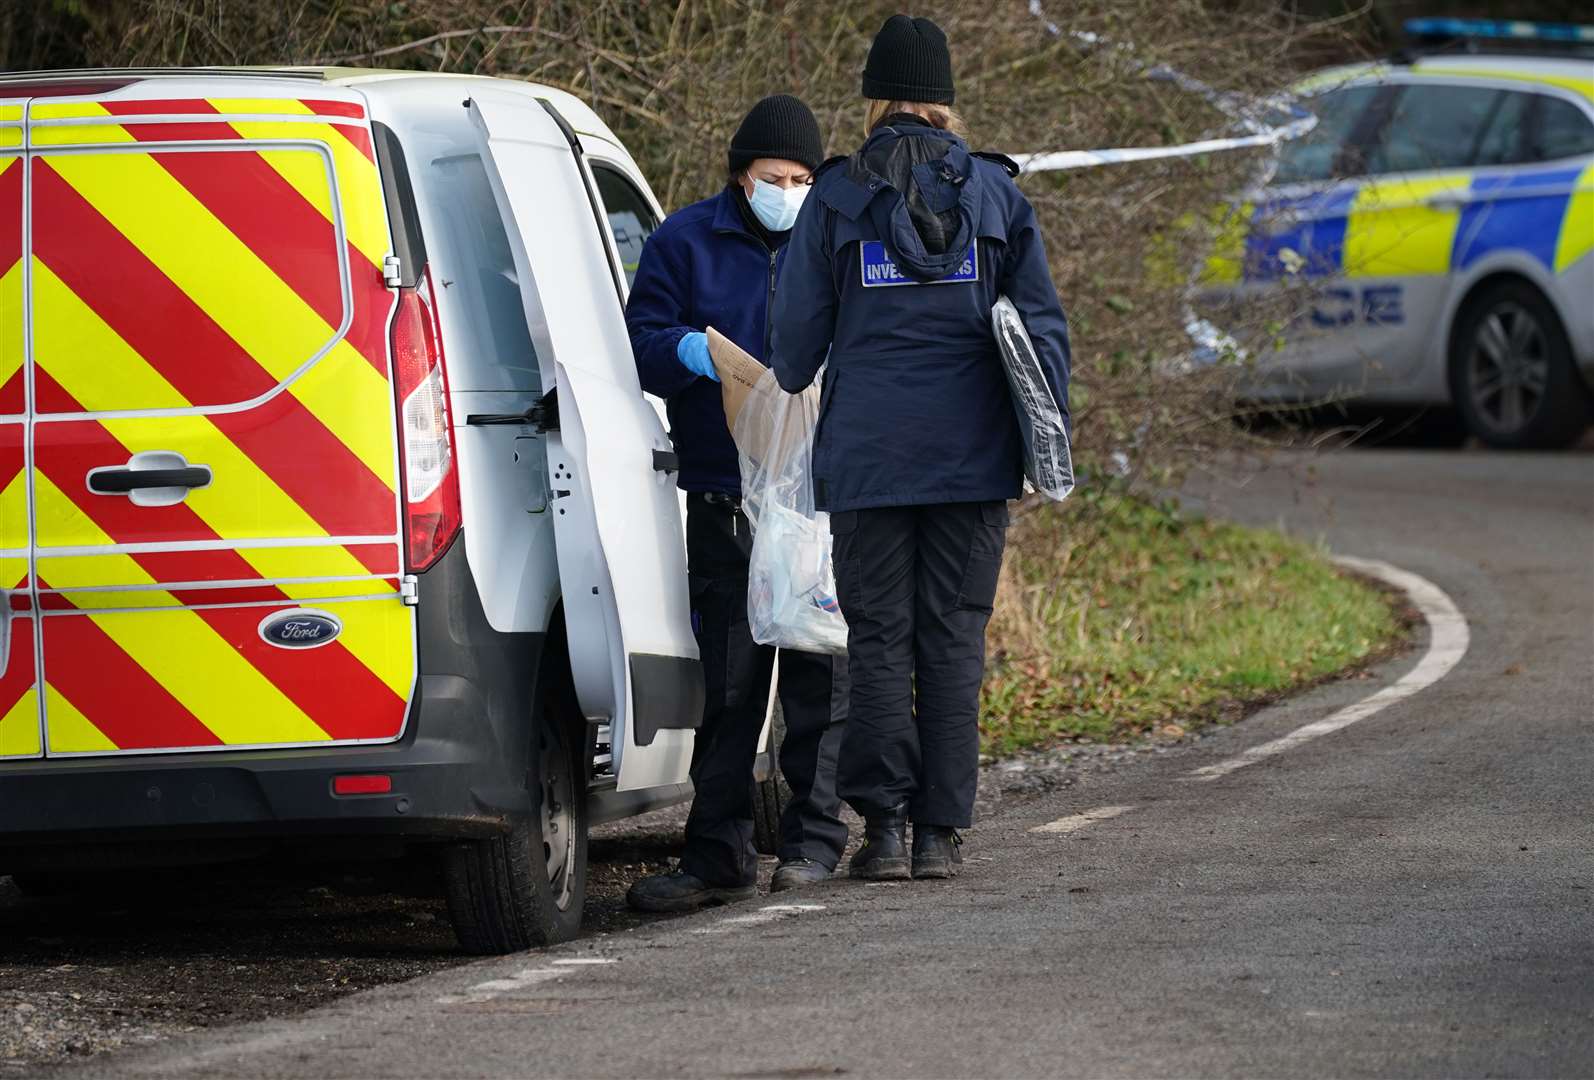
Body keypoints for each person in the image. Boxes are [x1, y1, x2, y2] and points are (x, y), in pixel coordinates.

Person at [770, 15, 1071, 881]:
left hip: (867, 462)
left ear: (873, 98)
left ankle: (886, 832)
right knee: (952, 643)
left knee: (877, 645)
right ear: (946, 101)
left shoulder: (832, 199)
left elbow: (793, 355)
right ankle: (942, 835)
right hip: (973, 463)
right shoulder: (996, 197)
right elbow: (1043, 336)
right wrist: (1048, 448)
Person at [624, 94, 850, 912]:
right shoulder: (683, 241)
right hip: (725, 498)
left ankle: (813, 844)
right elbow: (640, 345)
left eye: (801, 178)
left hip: (820, 503)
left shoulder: (835, 240)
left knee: (821, 683)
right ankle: (717, 854)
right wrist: (688, 350)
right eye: (772, 177)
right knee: (727, 690)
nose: (786, 191)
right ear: (739, 175)